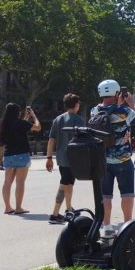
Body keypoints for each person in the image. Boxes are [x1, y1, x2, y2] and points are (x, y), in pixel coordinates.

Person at [91, 79, 135, 237]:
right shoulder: (123, 111)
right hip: (123, 160)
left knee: (106, 195)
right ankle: (127, 225)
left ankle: (107, 226)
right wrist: (131, 103)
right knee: (127, 193)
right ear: (116, 93)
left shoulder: (94, 111)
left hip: (103, 160)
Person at [46, 93, 84, 224]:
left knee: (68, 183)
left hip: (61, 157)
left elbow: (51, 140)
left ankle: (68, 208)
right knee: (64, 184)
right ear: (76, 105)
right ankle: (55, 214)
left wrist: (49, 157)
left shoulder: (58, 119)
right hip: (74, 157)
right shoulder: (79, 120)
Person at [0, 103, 40, 214]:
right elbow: (37, 127)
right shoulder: (21, 123)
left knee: (7, 182)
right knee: (20, 182)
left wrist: (26, 118)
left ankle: (7, 207)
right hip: (22, 154)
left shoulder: (4, 123)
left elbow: (20, 126)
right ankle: (18, 208)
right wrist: (33, 116)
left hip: (8, 155)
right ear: (17, 112)